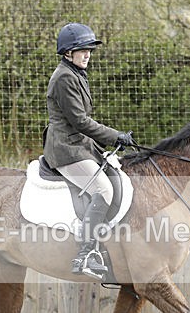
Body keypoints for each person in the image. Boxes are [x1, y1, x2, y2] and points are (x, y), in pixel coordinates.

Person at [43, 22, 134, 280]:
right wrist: (115, 135)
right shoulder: (64, 78)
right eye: (82, 50)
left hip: (79, 144)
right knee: (103, 190)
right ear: (67, 52)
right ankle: (85, 254)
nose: (87, 55)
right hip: (66, 148)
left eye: (89, 50)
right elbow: (80, 121)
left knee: (116, 177)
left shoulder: (76, 74)